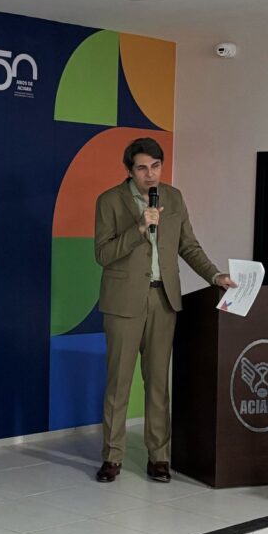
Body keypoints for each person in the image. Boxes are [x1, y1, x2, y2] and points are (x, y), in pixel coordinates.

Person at [93, 137, 236, 484]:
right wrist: (139, 229)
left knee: (158, 382)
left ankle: (159, 457)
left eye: (156, 166)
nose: (151, 174)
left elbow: (189, 246)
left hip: (164, 299)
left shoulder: (173, 198)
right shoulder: (109, 201)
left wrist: (215, 275)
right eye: (142, 168)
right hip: (123, 302)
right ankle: (112, 457)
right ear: (129, 170)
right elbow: (103, 254)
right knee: (119, 382)